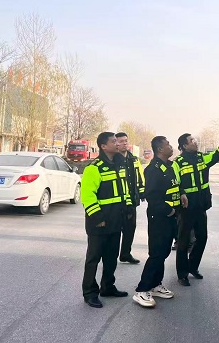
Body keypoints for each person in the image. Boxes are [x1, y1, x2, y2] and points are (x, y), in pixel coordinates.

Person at [133, 136, 188, 308]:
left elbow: (176, 183)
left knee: (164, 251)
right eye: (168, 145)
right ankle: (142, 290)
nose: (171, 147)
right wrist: (168, 210)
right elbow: (152, 196)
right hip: (160, 217)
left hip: (172, 216)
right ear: (160, 149)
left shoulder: (171, 166)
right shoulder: (153, 170)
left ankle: (156, 284)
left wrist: (182, 194)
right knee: (157, 253)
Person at [81, 132, 134, 308]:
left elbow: (125, 191)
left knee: (111, 258)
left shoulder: (120, 165)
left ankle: (108, 287)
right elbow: (87, 196)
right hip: (99, 223)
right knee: (93, 259)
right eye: (113, 142)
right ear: (104, 146)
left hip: (116, 221)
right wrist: (98, 218)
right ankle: (90, 293)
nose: (117, 144)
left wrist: (128, 209)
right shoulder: (94, 168)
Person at [172, 129, 219, 286]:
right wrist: (182, 193)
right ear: (184, 146)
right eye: (192, 140)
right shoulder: (178, 163)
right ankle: (182, 274)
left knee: (202, 237)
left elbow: (217, 154)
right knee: (183, 241)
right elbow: (175, 183)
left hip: (201, 205)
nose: (195, 142)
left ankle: (193, 267)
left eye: (194, 140)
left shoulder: (201, 158)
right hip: (186, 208)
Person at [115, 132, 145, 264]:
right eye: (121, 141)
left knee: (130, 229)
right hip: (118, 202)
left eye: (126, 140)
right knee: (116, 231)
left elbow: (140, 176)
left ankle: (125, 254)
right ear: (116, 143)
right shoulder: (113, 160)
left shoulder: (134, 159)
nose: (124, 143)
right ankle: (111, 256)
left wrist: (142, 192)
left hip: (132, 200)